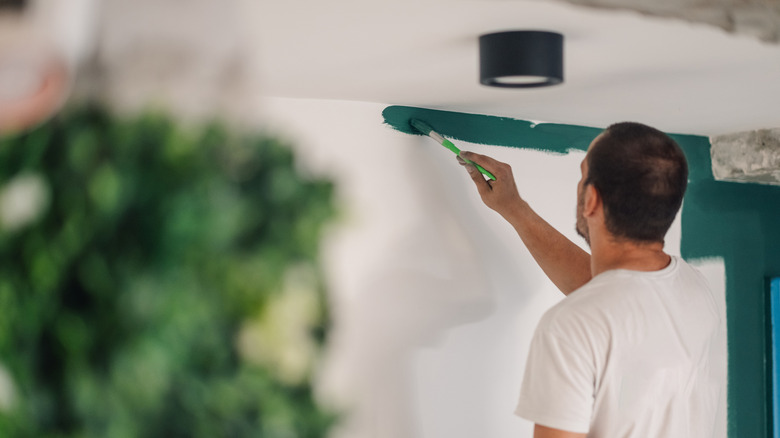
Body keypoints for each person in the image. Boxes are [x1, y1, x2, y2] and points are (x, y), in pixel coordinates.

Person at [457, 122, 725, 438]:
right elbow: (607, 293)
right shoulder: (694, 289)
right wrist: (516, 209)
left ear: (591, 200)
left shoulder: (571, 325)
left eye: (582, 175)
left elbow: (600, 304)